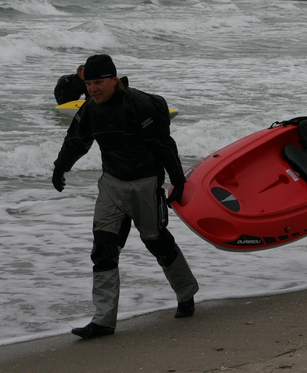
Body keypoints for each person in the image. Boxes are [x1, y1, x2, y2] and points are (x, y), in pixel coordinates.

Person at [52, 54, 199, 339]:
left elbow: (164, 145)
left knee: (157, 243)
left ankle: (186, 292)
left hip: (144, 185)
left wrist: (177, 182)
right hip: (111, 185)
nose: (93, 89)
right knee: (103, 249)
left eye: (99, 82)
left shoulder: (139, 105)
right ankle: (103, 320)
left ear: (114, 80)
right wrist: (60, 168)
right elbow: (75, 142)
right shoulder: (90, 109)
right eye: (89, 83)